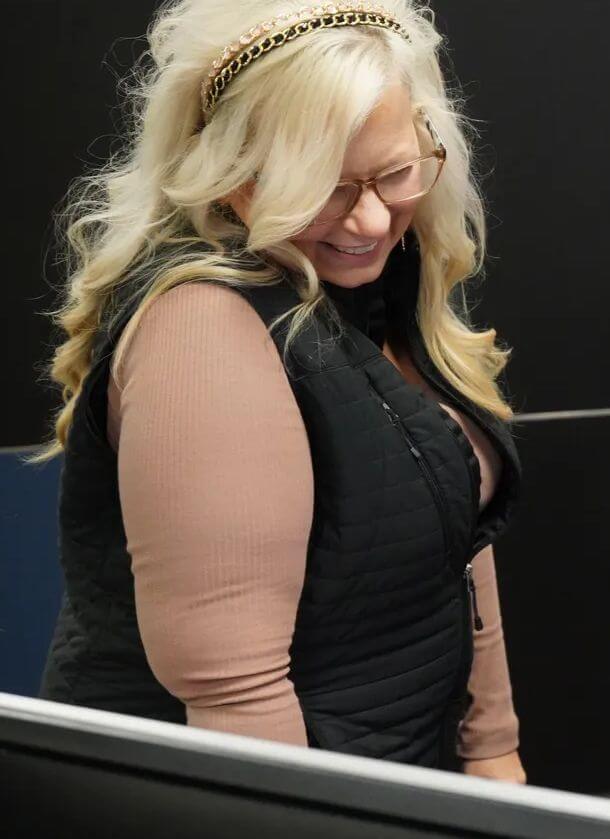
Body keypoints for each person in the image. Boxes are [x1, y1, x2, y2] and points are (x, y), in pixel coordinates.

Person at [37, 0, 526, 781]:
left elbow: (460, 537)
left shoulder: (375, 283)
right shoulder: (201, 330)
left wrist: (494, 751)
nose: (369, 218)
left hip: (403, 780)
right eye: (321, 187)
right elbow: (240, 709)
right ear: (229, 175)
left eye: (394, 173)